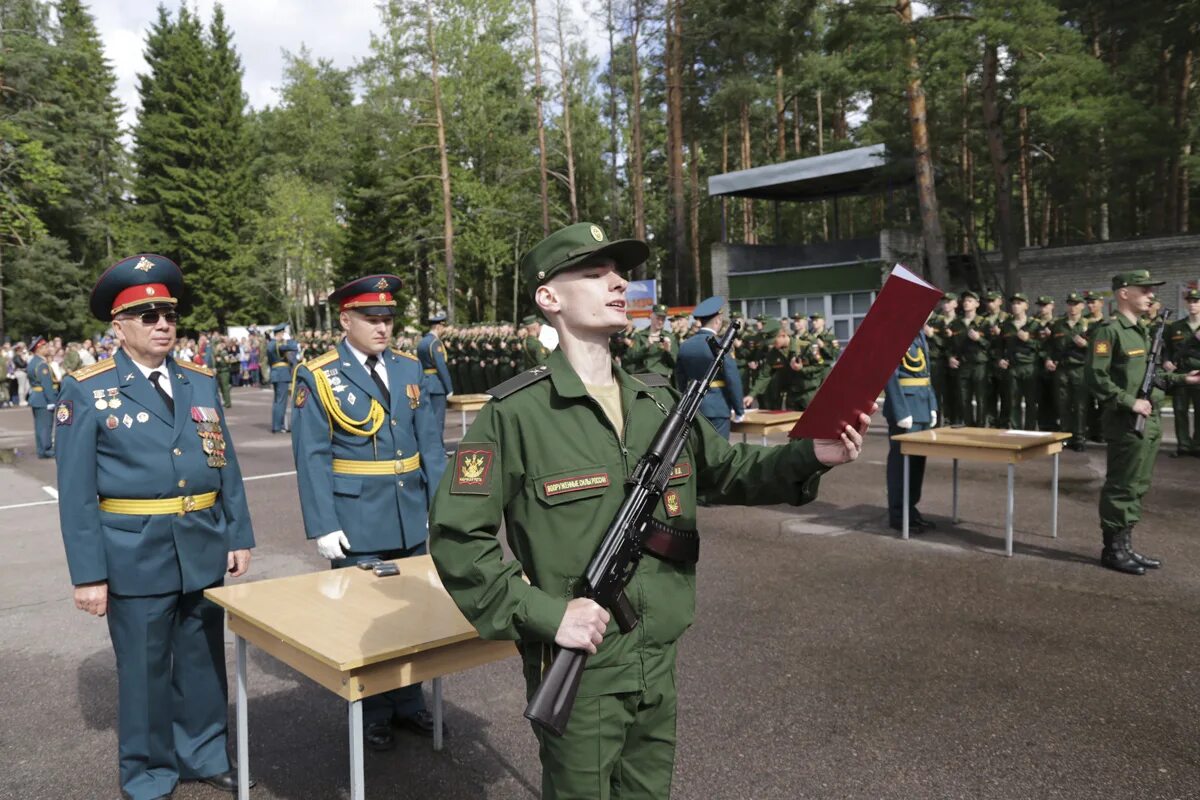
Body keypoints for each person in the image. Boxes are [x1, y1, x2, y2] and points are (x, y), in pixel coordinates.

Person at [428, 221, 873, 800]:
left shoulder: (657, 399)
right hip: (580, 662)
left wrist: (811, 454)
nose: (618, 283)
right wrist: (544, 613)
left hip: (657, 657)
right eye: (594, 273)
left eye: (620, 273)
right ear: (549, 298)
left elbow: (730, 472)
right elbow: (460, 538)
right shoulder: (515, 413)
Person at [55, 253, 255, 799]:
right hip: (133, 551)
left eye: (169, 314)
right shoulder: (87, 389)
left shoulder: (199, 380)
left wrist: (238, 533)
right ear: (117, 327)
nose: (164, 324)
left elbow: (224, 462)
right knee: (144, 673)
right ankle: (147, 774)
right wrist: (88, 575)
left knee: (201, 659)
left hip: (201, 543)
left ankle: (204, 753)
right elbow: (75, 495)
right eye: (148, 316)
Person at [290, 274, 448, 751]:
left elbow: (431, 446)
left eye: (388, 318)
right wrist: (323, 523)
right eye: (371, 318)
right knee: (363, 619)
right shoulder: (320, 374)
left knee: (412, 609)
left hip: (409, 508)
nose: (383, 327)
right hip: (356, 515)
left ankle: (408, 700)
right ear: (346, 319)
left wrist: (438, 506)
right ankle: (373, 709)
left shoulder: (407, 368)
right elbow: (311, 454)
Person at [1085, 270, 1200, 575]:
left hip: (1146, 421)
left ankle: (1126, 545)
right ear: (1124, 293)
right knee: (1122, 485)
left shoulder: (1143, 331)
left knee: (1138, 485)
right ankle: (1112, 550)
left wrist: (1181, 378)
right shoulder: (1109, 331)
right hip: (1125, 421)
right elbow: (1096, 377)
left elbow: (1152, 377)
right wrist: (1128, 401)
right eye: (1145, 289)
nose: (1151, 295)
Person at [884, 330, 937, 531]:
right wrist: (900, 410)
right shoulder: (895, 335)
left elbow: (927, 373)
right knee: (901, 464)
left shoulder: (919, 335)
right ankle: (899, 515)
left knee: (917, 464)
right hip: (906, 407)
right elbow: (888, 373)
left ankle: (911, 511)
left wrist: (932, 404)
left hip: (921, 404)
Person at [675, 296, 749, 438]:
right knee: (718, 454)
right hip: (717, 407)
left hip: (692, 406)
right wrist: (739, 410)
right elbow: (732, 379)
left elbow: (680, 378)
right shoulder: (721, 345)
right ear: (718, 320)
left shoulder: (685, 345)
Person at [1048, 292, 1091, 451]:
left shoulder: (1089, 324)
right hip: (1062, 369)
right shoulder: (1058, 325)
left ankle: (1079, 437)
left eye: (1076, 304)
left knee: (1080, 405)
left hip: (1080, 369)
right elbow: (1050, 346)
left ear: (1082, 306)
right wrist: (1048, 359)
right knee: (1063, 403)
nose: (1073, 307)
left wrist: (1086, 345)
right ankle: (1065, 436)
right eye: (1070, 304)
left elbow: (1101, 348)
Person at [1164, 289, 1200, 457]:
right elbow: (1166, 348)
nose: (1192, 304)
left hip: (1199, 374)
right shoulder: (1176, 327)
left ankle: (1198, 445)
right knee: (1180, 410)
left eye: (1196, 301)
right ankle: (1183, 445)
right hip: (1181, 374)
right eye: (1190, 301)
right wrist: (1167, 361)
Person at [998, 293, 1040, 429]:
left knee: (1031, 401)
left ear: (1026, 306)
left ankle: (1030, 429)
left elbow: (1043, 346)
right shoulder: (1006, 325)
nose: (1015, 306)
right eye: (1013, 303)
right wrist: (1000, 359)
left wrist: (1029, 340)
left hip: (1029, 366)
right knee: (1013, 400)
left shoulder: (1034, 325)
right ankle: (1015, 429)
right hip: (1013, 367)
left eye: (1019, 303)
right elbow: (999, 346)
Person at [417, 311, 454, 452]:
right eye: (443, 327)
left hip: (425, 383)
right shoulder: (435, 343)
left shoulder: (422, 341)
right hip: (437, 385)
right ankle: (438, 449)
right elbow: (441, 366)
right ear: (439, 327)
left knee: (427, 419)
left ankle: (428, 448)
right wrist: (449, 388)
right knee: (438, 420)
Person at [27, 335, 58, 458]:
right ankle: (46, 449)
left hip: (37, 397)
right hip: (43, 398)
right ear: (39, 348)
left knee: (40, 425)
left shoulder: (33, 362)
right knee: (46, 425)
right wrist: (51, 400)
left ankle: (41, 449)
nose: (47, 349)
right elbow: (47, 384)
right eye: (45, 346)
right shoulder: (42, 364)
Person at [628, 303, 677, 379]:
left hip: (662, 378)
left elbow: (675, 363)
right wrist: (646, 346)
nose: (660, 322)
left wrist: (668, 351)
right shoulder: (639, 336)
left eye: (663, 319)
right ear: (651, 316)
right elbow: (631, 357)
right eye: (658, 318)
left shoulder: (669, 337)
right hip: (643, 376)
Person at [265, 323, 297, 433]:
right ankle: (279, 426)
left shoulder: (270, 344)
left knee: (277, 401)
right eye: (283, 333)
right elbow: (294, 347)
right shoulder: (278, 345)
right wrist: (289, 339)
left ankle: (277, 425)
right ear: (280, 333)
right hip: (282, 374)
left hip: (275, 373)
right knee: (281, 402)